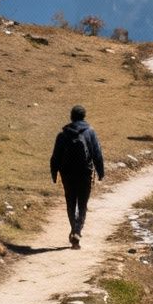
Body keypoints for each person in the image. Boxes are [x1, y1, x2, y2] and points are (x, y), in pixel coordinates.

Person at [50, 104, 106, 248]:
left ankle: (74, 228)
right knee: (82, 204)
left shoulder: (63, 134)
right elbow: (97, 154)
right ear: (84, 116)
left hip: (67, 175)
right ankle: (77, 231)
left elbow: (55, 157)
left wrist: (54, 174)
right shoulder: (90, 132)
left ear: (71, 116)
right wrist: (100, 172)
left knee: (70, 202)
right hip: (85, 174)